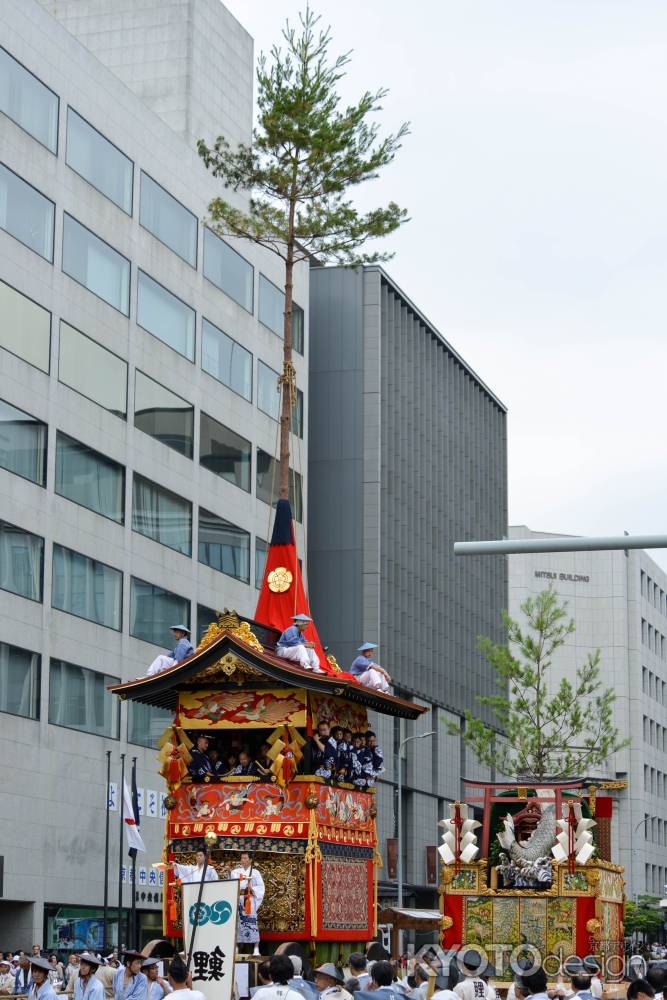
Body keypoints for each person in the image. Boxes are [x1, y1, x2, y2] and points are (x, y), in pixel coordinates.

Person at [231, 852, 265, 955]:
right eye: (242, 858)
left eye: (245, 858)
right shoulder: (236, 871)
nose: (243, 860)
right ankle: (236, 946)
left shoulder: (255, 872)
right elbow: (232, 883)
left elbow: (261, 887)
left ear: (250, 860)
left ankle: (256, 947)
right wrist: (229, 872)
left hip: (249, 899)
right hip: (239, 899)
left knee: (252, 922)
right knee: (237, 922)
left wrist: (251, 889)